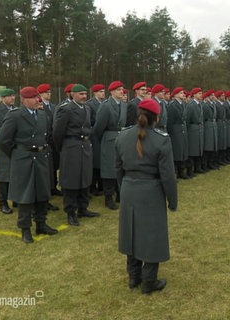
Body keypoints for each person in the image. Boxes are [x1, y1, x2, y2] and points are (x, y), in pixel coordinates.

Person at [115, 98, 178, 295]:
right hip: (151, 190)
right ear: (156, 118)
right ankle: (148, 280)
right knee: (152, 235)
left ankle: (134, 276)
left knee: (131, 231)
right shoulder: (161, 139)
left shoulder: (122, 136)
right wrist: (172, 200)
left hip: (128, 189)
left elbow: (117, 169)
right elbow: (168, 175)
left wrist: (123, 189)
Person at [0, 86, 58, 243]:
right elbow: (3, 141)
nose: (38, 100)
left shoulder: (43, 115)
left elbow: (48, 136)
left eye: (38, 97)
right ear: (24, 100)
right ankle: (25, 228)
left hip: (41, 157)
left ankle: (41, 224)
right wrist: (17, 154)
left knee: (42, 192)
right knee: (26, 195)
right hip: (23, 159)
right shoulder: (15, 116)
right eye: (33, 97)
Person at [53, 84, 100, 226]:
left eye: (85, 94)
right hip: (71, 146)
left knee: (85, 178)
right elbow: (57, 132)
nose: (84, 96)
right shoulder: (66, 110)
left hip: (85, 146)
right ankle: (71, 212)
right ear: (72, 94)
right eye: (81, 94)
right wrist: (64, 148)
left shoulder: (87, 108)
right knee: (71, 180)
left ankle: (83, 208)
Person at [94, 81, 127, 210]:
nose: (121, 92)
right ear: (112, 91)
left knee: (121, 167)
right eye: (118, 89)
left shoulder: (124, 105)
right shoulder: (106, 106)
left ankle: (120, 194)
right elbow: (98, 128)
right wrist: (106, 138)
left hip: (121, 138)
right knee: (109, 169)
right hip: (108, 139)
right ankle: (108, 197)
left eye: (122, 89)